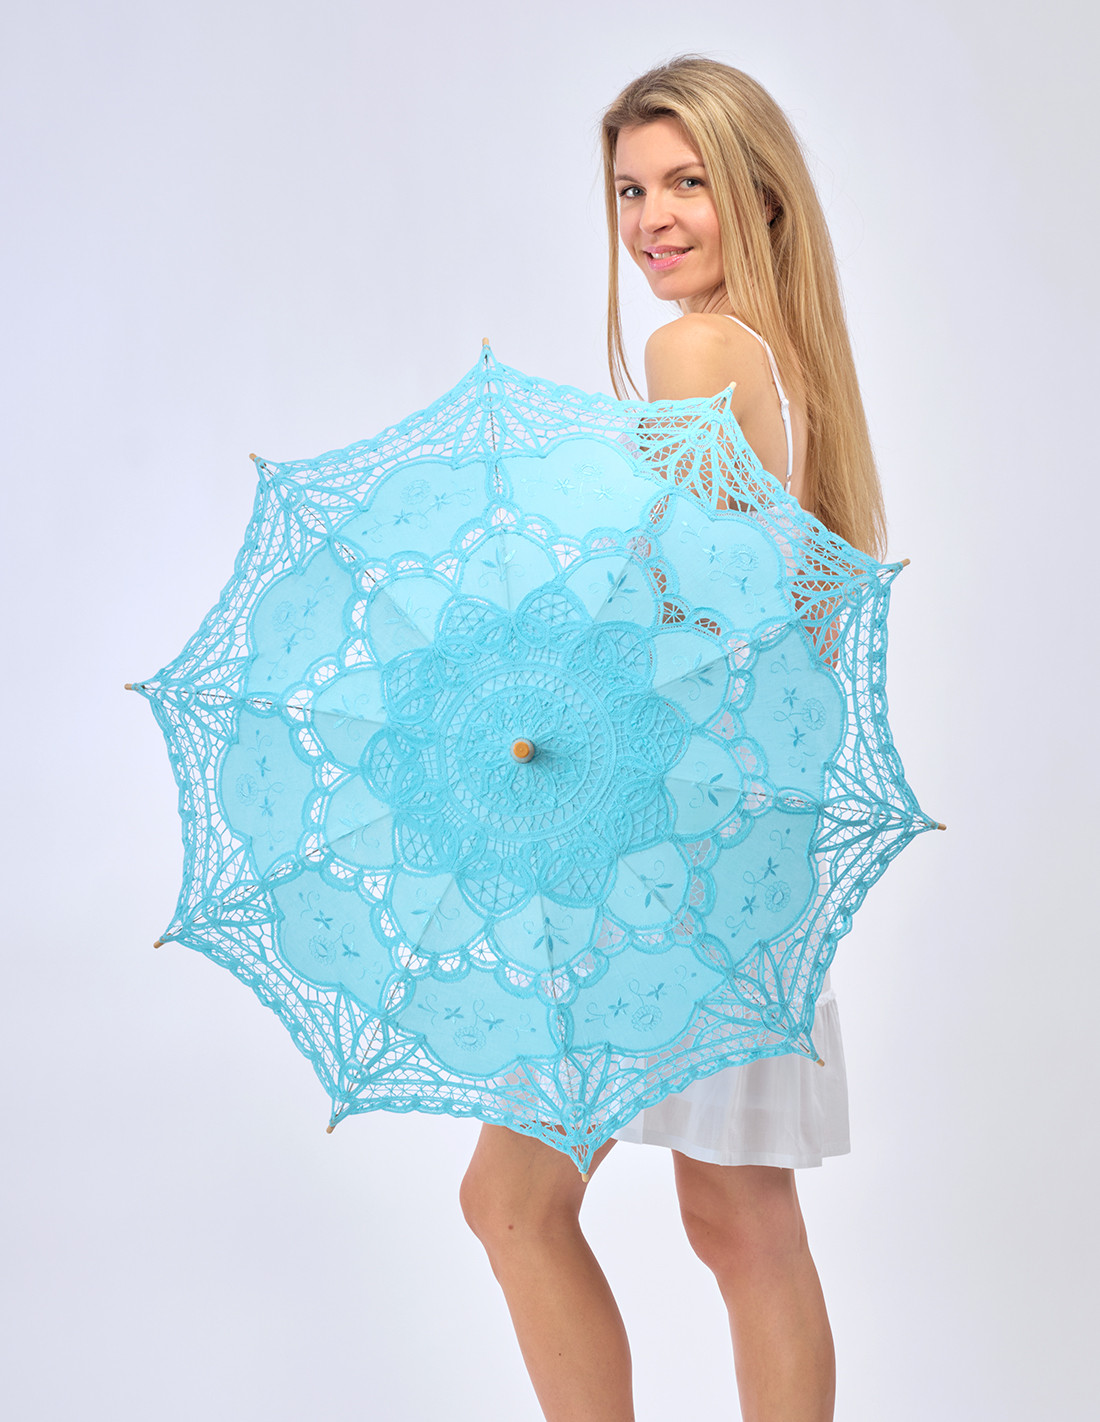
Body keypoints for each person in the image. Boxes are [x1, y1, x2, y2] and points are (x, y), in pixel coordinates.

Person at [460, 56, 887, 1422]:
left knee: (513, 1200)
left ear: (759, 197)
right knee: (742, 1223)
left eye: (686, 182)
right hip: (740, 841)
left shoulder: (695, 352)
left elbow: (664, 634)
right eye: (629, 189)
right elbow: (743, 629)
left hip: (667, 846)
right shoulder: (787, 365)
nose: (651, 219)